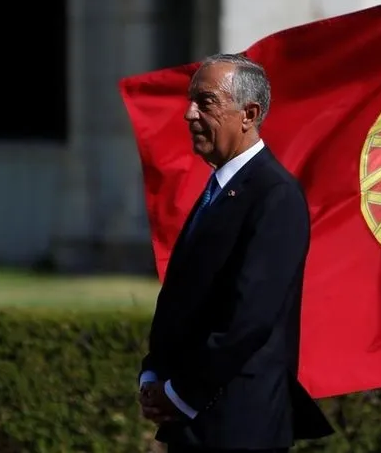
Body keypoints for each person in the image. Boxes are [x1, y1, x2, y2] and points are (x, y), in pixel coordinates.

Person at [136, 53, 335, 452]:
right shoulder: (219, 190)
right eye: (191, 101)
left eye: (206, 102)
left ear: (249, 114)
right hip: (193, 422)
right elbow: (181, 297)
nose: (189, 114)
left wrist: (181, 393)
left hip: (239, 424)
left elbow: (249, 318)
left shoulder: (274, 194)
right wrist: (153, 374)